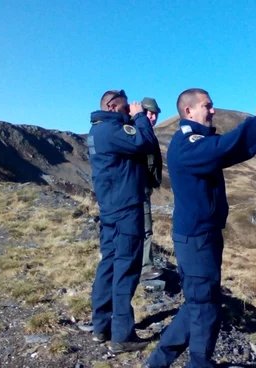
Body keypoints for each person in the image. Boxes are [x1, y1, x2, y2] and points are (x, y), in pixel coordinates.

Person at [145, 88, 256, 368]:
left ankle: (157, 362)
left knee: (198, 302)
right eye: (207, 106)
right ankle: (199, 363)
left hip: (202, 236)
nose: (213, 110)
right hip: (196, 239)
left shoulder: (199, 143)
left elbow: (233, 152)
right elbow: (222, 149)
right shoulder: (187, 144)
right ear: (189, 111)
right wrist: (254, 120)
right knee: (206, 307)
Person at [87, 89, 160, 353]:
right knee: (126, 268)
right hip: (126, 208)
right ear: (112, 105)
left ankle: (101, 326)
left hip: (110, 207)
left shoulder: (98, 130)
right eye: (124, 106)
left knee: (108, 264)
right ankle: (122, 336)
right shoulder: (111, 130)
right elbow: (145, 142)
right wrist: (139, 116)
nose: (128, 109)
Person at [140, 97, 164, 281]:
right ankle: (145, 268)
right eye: (149, 113)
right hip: (137, 189)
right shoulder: (138, 132)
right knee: (145, 229)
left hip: (143, 187)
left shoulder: (145, 132)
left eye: (155, 114)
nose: (153, 117)